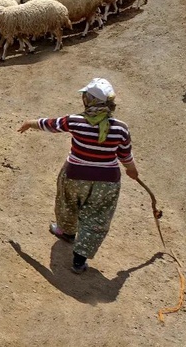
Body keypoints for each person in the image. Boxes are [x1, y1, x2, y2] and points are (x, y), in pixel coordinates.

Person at [18, 78, 139, 273]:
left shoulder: (75, 121)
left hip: (74, 176)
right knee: (97, 218)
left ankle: (66, 231)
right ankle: (79, 261)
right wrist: (132, 171)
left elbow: (50, 124)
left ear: (88, 100)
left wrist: (29, 123)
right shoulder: (121, 128)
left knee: (67, 204)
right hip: (107, 183)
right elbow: (125, 156)